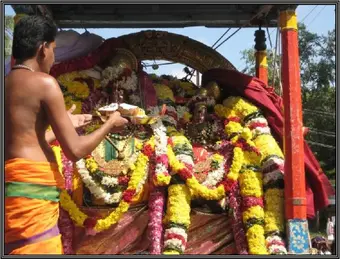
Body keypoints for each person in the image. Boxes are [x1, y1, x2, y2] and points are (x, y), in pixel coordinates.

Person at [4, 15, 128, 254]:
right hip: (34, 192)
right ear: (42, 49)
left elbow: (24, 137)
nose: (53, 57)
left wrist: (63, 126)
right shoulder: (45, 83)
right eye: (53, 50)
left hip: (10, 187)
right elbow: (75, 151)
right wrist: (110, 123)